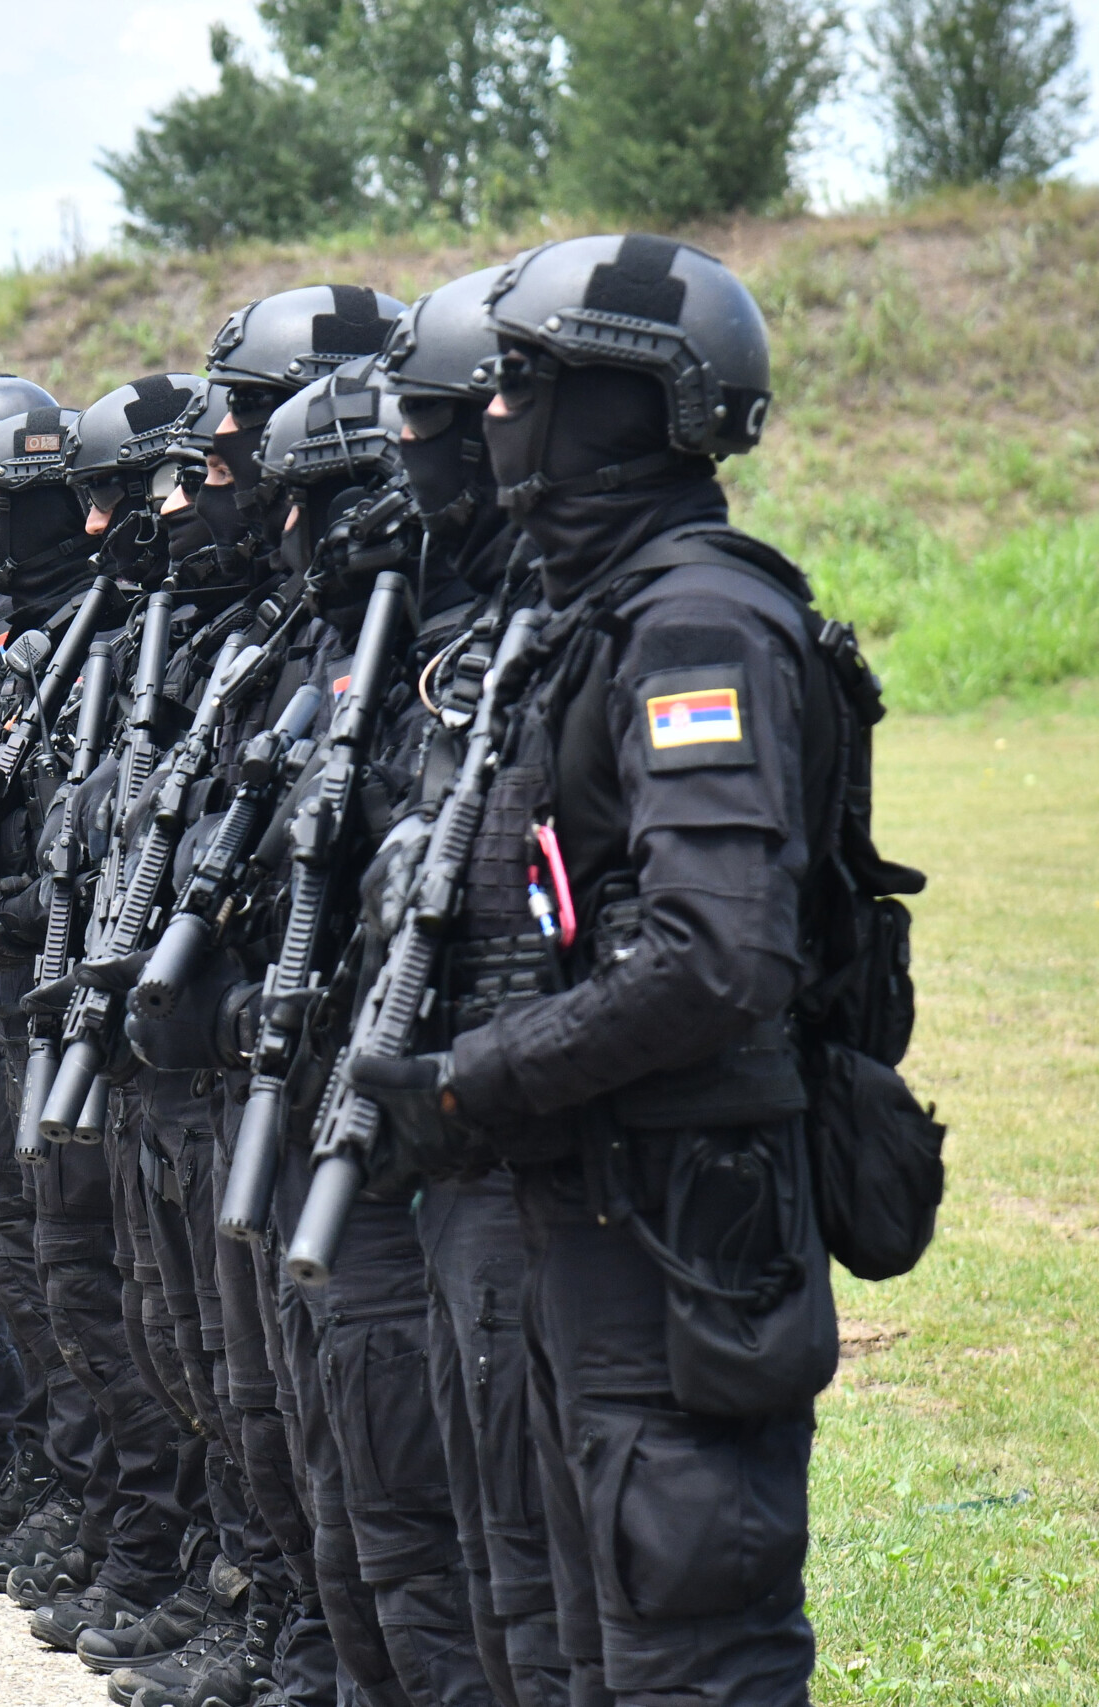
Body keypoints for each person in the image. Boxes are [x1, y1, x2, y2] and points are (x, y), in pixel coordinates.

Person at [351, 233, 832, 1705]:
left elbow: (715, 952)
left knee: (681, 1654)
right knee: (562, 1641)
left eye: (522, 388)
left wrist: (472, 1082)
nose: (490, 418)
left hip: (677, 1227)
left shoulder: (697, 625)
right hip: (585, 1209)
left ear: (624, 405)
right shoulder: (589, 620)